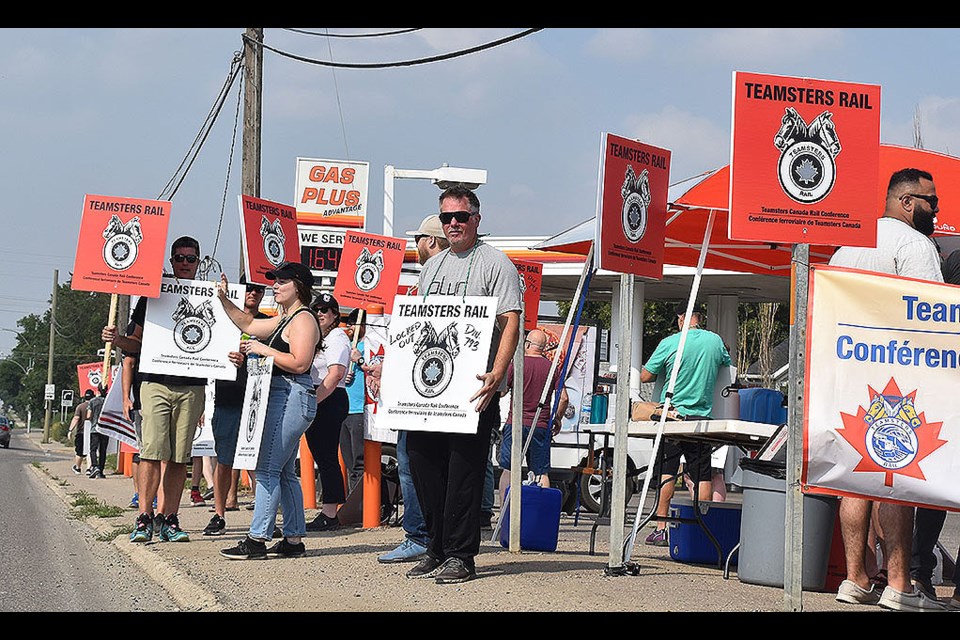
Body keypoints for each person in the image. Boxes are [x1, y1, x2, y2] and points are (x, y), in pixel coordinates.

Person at [830, 167, 946, 612]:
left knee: (854, 481)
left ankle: (856, 579)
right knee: (897, 481)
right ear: (906, 202)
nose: (935, 209)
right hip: (899, 379)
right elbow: (931, 317)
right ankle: (900, 585)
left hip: (848, 374)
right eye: (930, 201)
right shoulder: (914, 245)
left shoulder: (849, 245)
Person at [405, 185, 522, 584]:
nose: (453, 223)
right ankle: (436, 547)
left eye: (460, 216)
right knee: (422, 462)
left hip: (474, 387)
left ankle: (461, 555)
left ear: (476, 219)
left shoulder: (496, 264)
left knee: (463, 472)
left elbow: (511, 323)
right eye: (446, 218)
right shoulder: (433, 266)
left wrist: (498, 373)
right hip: (430, 387)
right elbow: (420, 323)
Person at [102, 236, 206, 543]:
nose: (185, 263)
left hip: (192, 386)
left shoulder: (211, 297)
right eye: (179, 258)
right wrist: (117, 338)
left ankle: (169, 518)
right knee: (151, 453)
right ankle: (144, 517)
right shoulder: (153, 296)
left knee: (179, 457)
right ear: (171, 261)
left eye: (191, 258)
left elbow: (223, 340)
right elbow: (135, 342)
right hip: (154, 383)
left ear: (198, 262)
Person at [217, 261, 320, 560]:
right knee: (285, 472)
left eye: (281, 281)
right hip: (285, 395)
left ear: (298, 285)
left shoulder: (302, 320)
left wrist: (264, 350)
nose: (274, 285)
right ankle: (293, 539)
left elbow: (300, 363)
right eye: (274, 281)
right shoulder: (286, 318)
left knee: (266, 468)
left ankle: (257, 538)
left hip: (291, 394)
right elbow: (248, 325)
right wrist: (224, 299)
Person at [378, 214, 449, 564]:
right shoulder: (434, 278)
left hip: (427, 391)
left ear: (432, 241)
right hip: (426, 387)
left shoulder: (434, 279)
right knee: (418, 464)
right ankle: (429, 536)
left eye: (419, 238)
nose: (415, 245)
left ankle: (421, 535)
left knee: (412, 463)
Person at [640, 305, 731, 547]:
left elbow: (646, 376)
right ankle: (703, 526)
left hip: (672, 416)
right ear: (699, 319)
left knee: (667, 471)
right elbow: (727, 360)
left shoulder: (671, 342)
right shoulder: (715, 341)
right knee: (702, 474)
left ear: (681, 319)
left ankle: (661, 527)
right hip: (701, 418)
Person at [202, 277, 267, 537]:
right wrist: (227, 356)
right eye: (249, 288)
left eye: (259, 289)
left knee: (258, 462)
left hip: (257, 400)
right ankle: (219, 515)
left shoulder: (266, 322)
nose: (254, 293)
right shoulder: (223, 320)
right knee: (225, 460)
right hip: (228, 397)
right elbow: (206, 352)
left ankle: (262, 517)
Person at [498, 328, 568, 505]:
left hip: (515, 424)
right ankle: (540, 513)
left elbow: (502, 391)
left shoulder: (517, 364)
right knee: (540, 472)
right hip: (541, 425)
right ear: (543, 348)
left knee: (509, 469)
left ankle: (506, 514)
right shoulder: (552, 368)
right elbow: (564, 398)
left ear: (527, 344)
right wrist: (557, 418)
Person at [304, 291, 351, 532]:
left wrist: (314, 401)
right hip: (319, 394)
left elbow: (335, 374)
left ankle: (330, 512)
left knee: (327, 456)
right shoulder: (318, 337)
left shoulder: (337, 337)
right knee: (321, 455)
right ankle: (328, 509)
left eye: (326, 310)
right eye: (317, 310)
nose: (320, 313)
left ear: (335, 315)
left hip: (329, 396)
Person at [340, 307, 366, 494]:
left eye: (354, 322)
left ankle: (364, 503)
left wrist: (359, 360)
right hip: (344, 410)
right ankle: (353, 500)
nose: (349, 326)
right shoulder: (346, 346)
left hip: (359, 410)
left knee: (360, 461)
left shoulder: (370, 346)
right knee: (349, 462)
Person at [68, 390, 94, 475]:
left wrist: (70, 430)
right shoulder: (95, 406)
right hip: (92, 432)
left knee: (79, 451)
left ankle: (78, 468)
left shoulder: (80, 407)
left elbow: (76, 419)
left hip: (81, 432)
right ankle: (88, 469)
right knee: (90, 451)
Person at [86, 385, 108, 478]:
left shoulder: (92, 401)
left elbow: (88, 416)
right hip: (105, 429)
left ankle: (94, 466)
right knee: (103, 450)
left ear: (97, 390)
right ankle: (101, 470)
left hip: (95, 428)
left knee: (93, 449)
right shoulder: (108, 401)